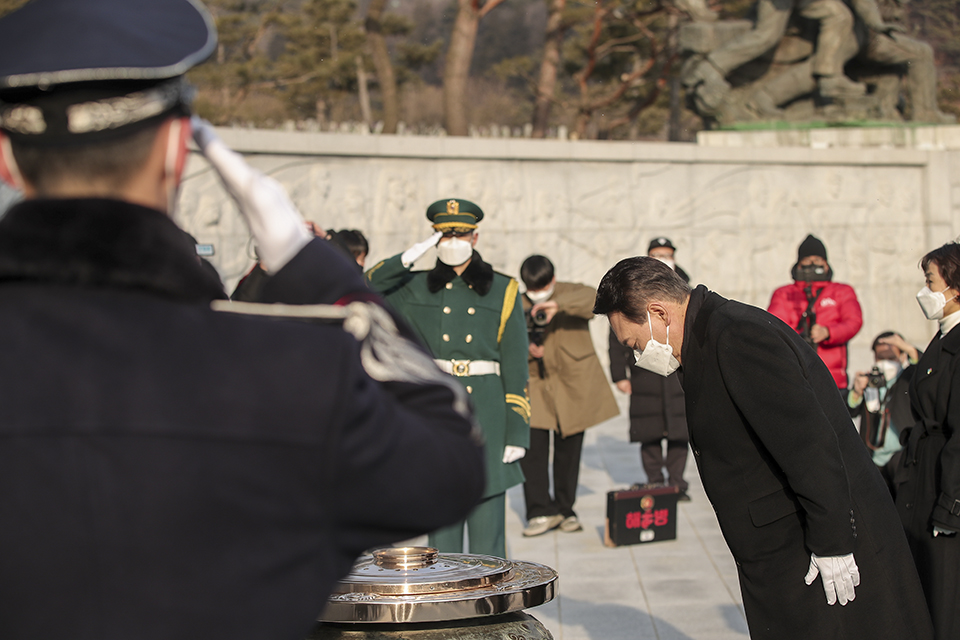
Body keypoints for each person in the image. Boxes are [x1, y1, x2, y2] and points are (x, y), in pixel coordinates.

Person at [0, 2, 485, 639]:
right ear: (180, 150)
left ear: (7, 157)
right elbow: (449, 462)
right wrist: (316, 266)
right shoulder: (293, 374)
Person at [594, 256, 933, 640]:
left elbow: (809, 443)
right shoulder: (704, 338)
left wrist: (833, 543)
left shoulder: (737, 336)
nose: (638, 356)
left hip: (812, 545)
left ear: (658, 312)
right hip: (779, 547)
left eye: (634, 343)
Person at [365, 198, 530, 558]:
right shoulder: (414, 286)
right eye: (444, 233)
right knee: (441, 539)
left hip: (487, 411)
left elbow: (516, 364)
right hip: (437, 409)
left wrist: (517, 429)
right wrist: (408, 258)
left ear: (475, 236)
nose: (453, 240)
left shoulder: (503, 289)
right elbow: (368, 286)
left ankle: (491, 611)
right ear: (435, 238)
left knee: (489, 539)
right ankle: (446, 610)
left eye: (460, 233)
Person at [518, 255, 618, 536]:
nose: (536, 294)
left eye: (542, 287)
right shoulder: (517, 302)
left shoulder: (570, 292)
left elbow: (594, 300)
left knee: (569, 451)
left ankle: (565, 509)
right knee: (533, 450)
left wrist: (557, 306)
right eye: (531, 289)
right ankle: (538, 510)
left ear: (552, 280)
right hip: (536, 383)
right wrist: (528, 347)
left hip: (572, 386)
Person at [895, 242, 960, 640]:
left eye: (930, 281)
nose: (925, 290)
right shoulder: (943, 336)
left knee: (945, 599)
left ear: (954, 288)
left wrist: (951, 507)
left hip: (944, 487)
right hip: (924, 477)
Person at [609, 237, 691, 498]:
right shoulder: (632, 289)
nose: (662, 258)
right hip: (644, 372)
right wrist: (619, 374)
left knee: (680, 432)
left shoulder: (686, 289)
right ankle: (656, 482)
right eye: (656, 254)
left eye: (666, 254)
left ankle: (677, 484)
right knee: (649, 430)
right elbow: (617, 334)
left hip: (678, 372)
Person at [768, 234, 863, 391]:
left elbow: (853, 321)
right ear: (798, 265)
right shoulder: (784, 294)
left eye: (817, 260)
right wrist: (797, 337)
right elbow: (774, 326)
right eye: (807, 261)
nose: (812, 265)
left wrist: (828, 332)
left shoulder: (842, 291)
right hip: (794, 377)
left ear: (826, 265)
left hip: (832, 380)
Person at [847, 331, 920, 495]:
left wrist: (906, 347)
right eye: (881, 357)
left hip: (901, 455)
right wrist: (856, 392)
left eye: (891, 357)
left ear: (902, 357)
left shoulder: (908, 379)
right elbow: (850, 410)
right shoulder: (870, 380)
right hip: (873, 457)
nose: (885, 363)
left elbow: (923, 367)